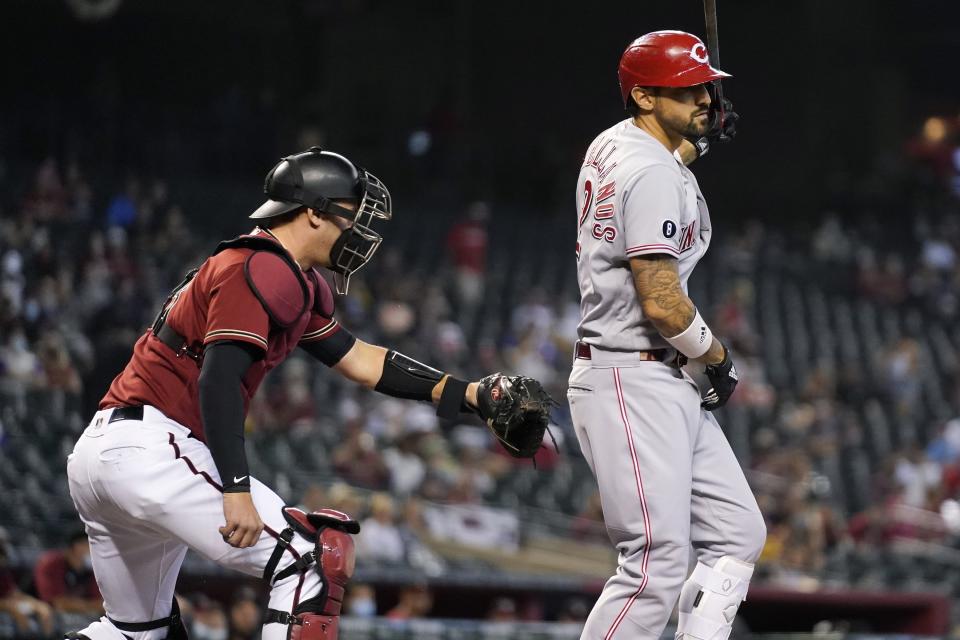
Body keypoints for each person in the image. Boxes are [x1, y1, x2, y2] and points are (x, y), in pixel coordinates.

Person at [66, 147, 544, 640]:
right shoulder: (263, 267)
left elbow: (360, 359)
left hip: (109, 452)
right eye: (350, 216)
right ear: (314, 213)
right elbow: (219, 378)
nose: (359, 230)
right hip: (156, 449)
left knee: (135, 633)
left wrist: (465, 394)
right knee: (313, 559)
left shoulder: (284, 274)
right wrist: (235, 487)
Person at [567, 31, 766, 639]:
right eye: (688, 89)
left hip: (655, 374)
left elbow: (658, 164)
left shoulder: (618, 142)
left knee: (737, 531)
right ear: (645, 97)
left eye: (707, 86)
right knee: (654, 565)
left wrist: (695, 141)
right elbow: (662, 302)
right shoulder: (649, 172)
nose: (705, 97)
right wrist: (718, 357)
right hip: (633, 372)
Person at [33, 529, 103, 617]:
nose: (93, 550)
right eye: (89, 545)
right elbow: (58, 602)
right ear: (77, 546)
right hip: (41, 609)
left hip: (78, 612)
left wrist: (83, 605)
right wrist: (88, 605)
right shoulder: (51, 563)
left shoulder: (90, 568)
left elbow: (100, 602)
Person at [0, 528, 55, 636]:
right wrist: (12, 608)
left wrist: (37, 604)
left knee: (44, 611)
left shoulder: (3, 568)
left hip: (9, 605)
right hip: (6, 610)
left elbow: (13, 593)